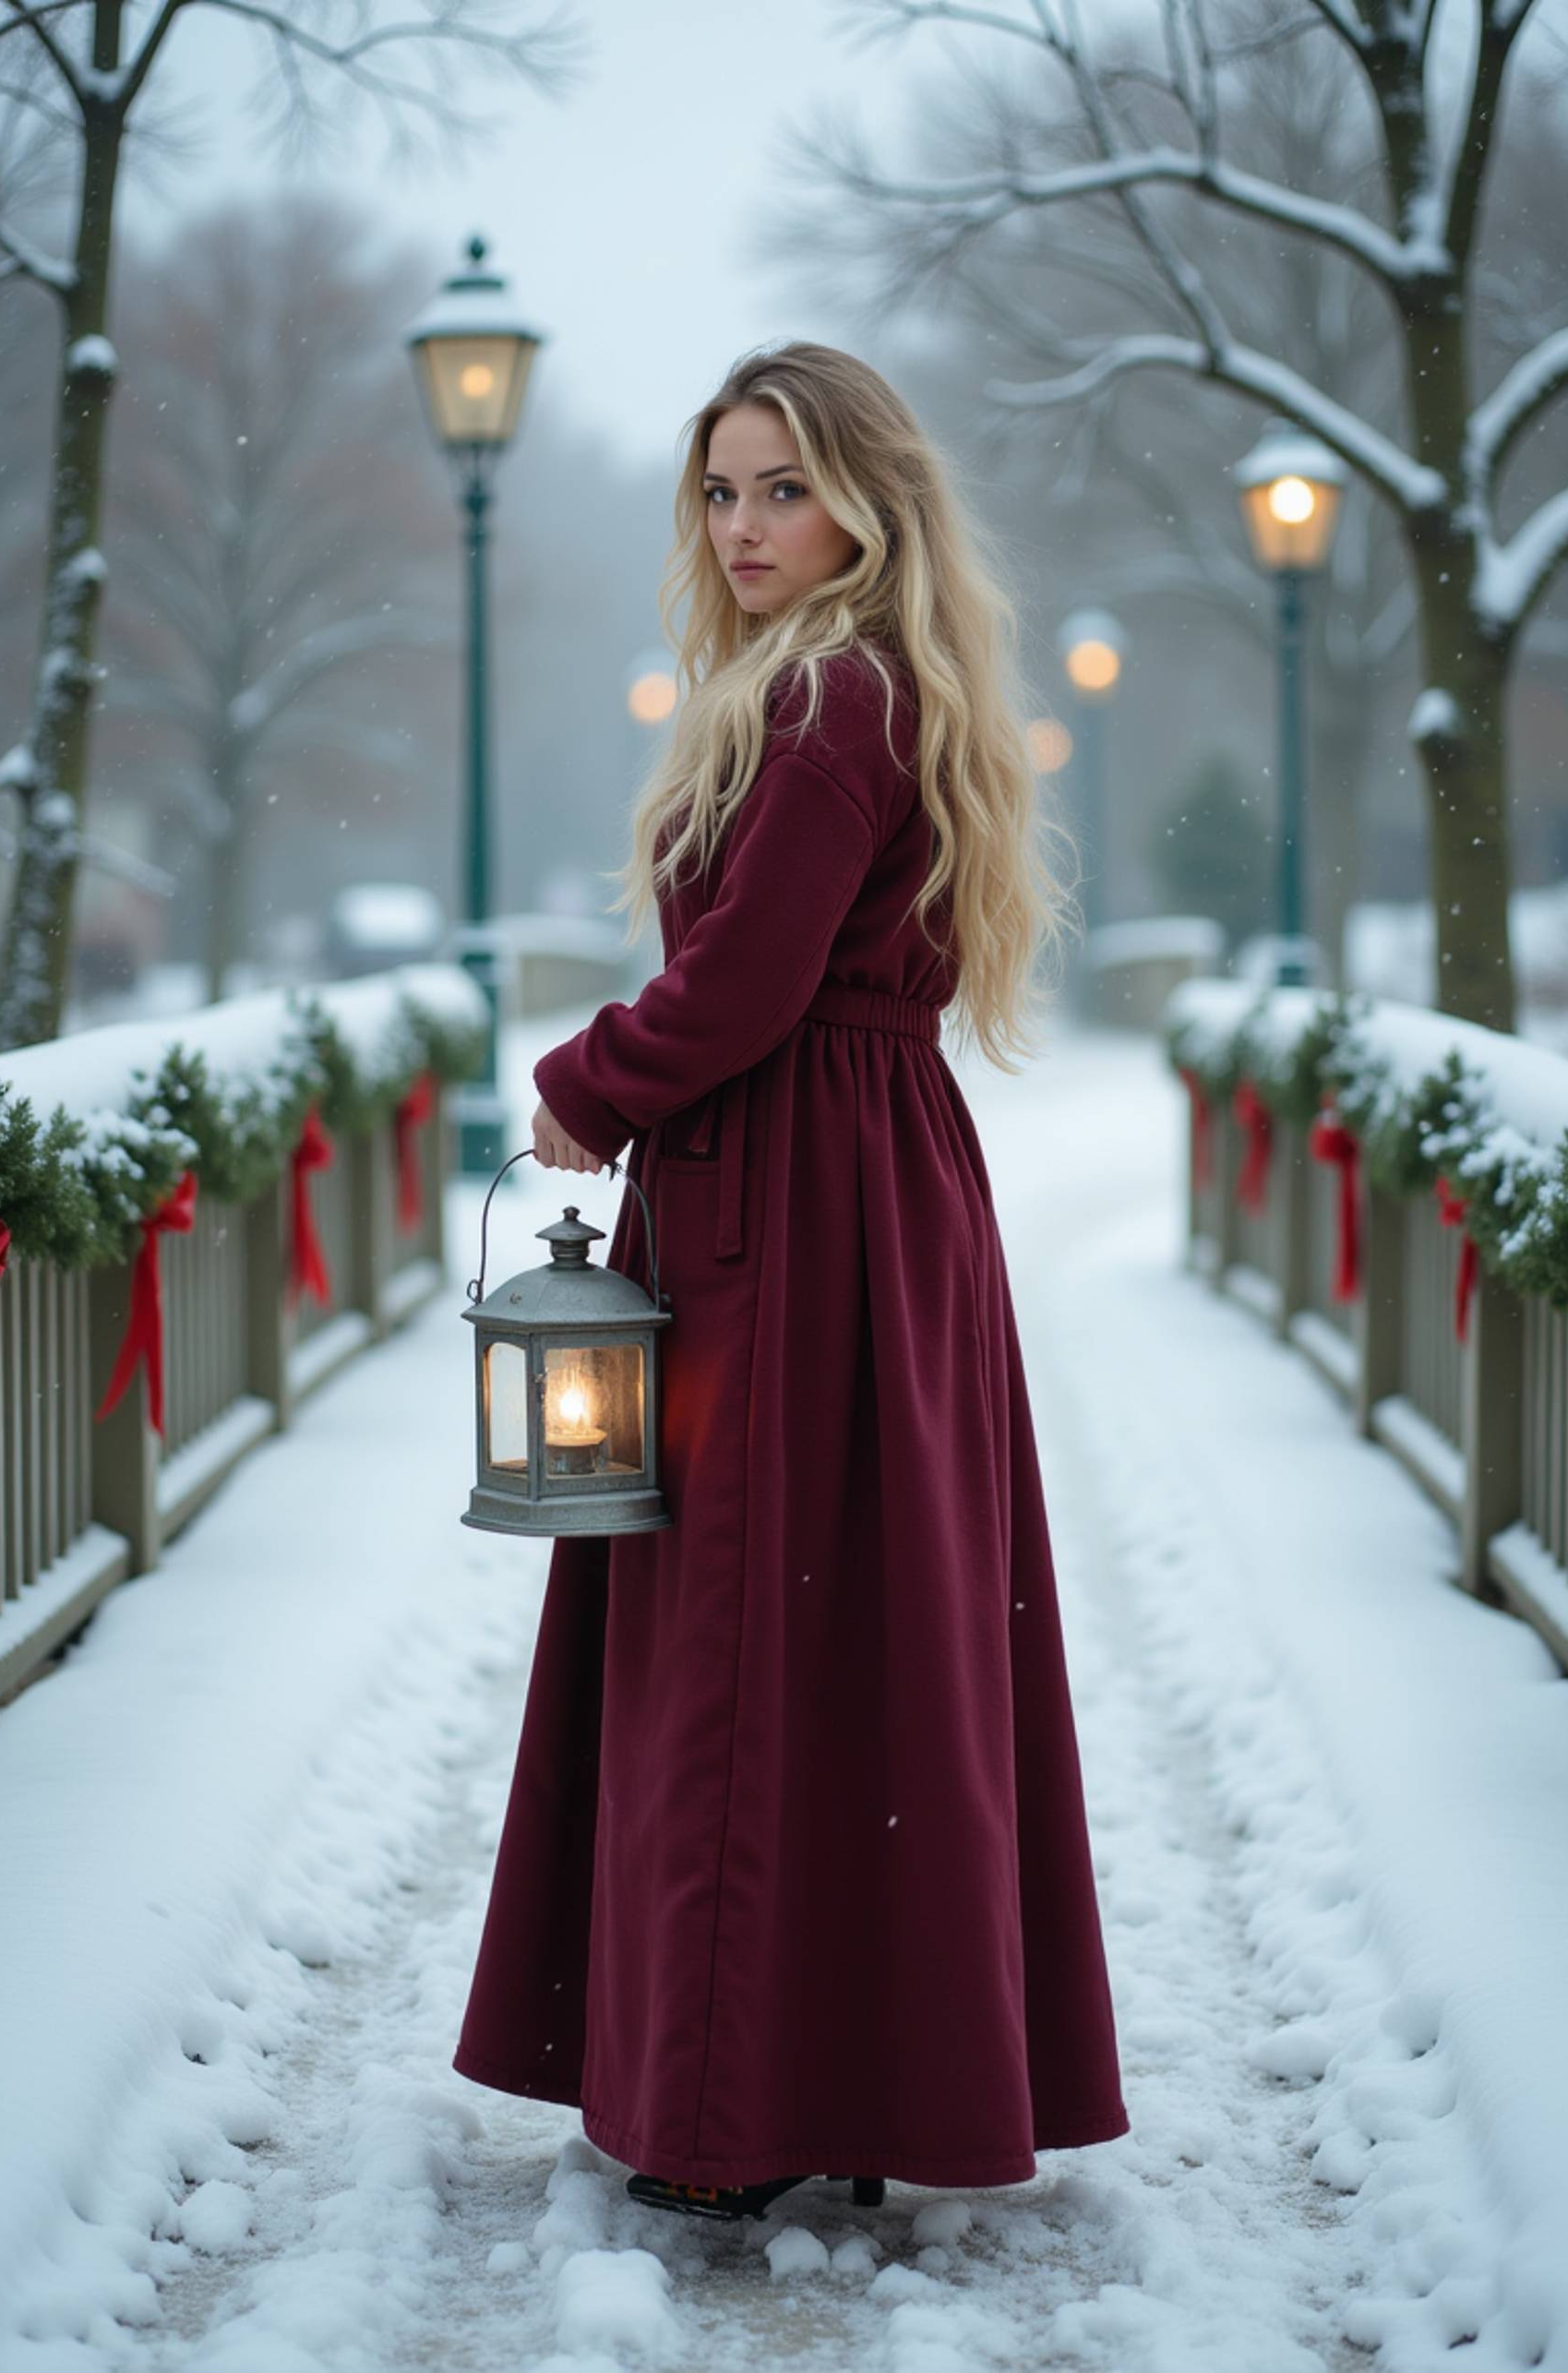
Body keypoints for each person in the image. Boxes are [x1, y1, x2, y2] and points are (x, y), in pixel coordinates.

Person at [452, 341, 1131, 2223]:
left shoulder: (834, 694)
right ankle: (827, 2075)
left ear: (866, 501)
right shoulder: (860, 684)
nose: (747, 526)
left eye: (785, 487)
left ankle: (729, 2102)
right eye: (725, 490)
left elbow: (746, 980)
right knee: (855, 1634)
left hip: (795, 1192)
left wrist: (587, 1078)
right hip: (852, 1181)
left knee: (753, 1634)